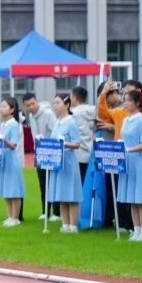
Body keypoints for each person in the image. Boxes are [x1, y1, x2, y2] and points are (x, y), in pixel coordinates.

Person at [118, 89, 142, 242]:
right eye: (124, 100)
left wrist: (130, 149)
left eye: (128, 100)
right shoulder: (126, 120)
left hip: (138, 162)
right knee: (132, 197)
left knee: (141, 198)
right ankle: (136, 230)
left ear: (137, 103)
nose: (125, 103)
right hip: (127, 162)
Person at [47, 95, 83, 233]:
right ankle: (65, 224)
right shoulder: (57, 122)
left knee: (71, 194)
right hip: (58, 162)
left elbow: (77, 143)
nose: (55, 105)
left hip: (68, 161)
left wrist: (64, 144)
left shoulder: (71, 122)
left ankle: (73, 225)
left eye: (58, 103)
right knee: (62, 194)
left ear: (67, 105)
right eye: (54, 103)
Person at [22, 92, 58, 221]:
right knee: (43, 183)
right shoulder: (31, 116)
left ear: (37, 101)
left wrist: (46, 143)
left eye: (33, 103)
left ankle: (57, 213)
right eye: (28, 105)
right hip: (39, 153)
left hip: (51, 152)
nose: (31, 107)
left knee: (53, 182)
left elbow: (55, 131)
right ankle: (45, 211)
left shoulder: (48, 114)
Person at [0, 98, 25, 226]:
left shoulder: (14, 124)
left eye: (4, 106)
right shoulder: (3, 124)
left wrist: (4, 140)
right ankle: (9, 216)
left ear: (12, 110)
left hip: (11, 159)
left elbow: (13, 145)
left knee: (13, 189)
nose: (1, 109)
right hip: (3, 158)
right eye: (1, 106)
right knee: (6, 188)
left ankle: (15, 218)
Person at [70, 86, 96, 183]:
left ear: (74, 98)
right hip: (89, 152)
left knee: (78, 184)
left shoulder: (73, 113)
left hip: (78, 154)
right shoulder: (92, 110)